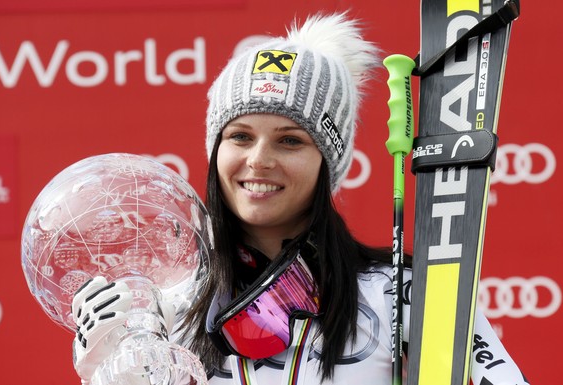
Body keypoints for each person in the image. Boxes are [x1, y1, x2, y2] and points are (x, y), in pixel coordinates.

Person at [72, 12, 530, 385]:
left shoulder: (400, 290)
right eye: (240, 136)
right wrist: (108, 370)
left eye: (290, 141)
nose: (258, 160)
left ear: (326, 162)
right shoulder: (164, 311)